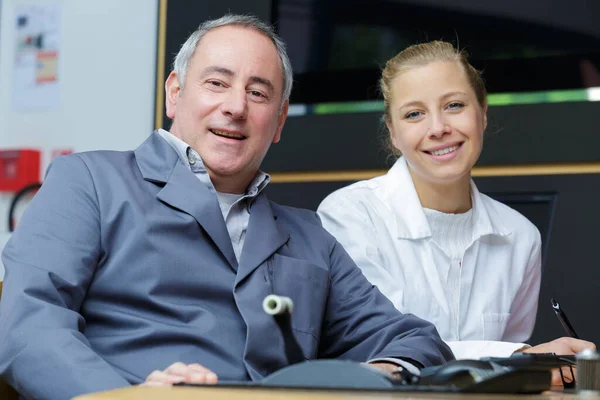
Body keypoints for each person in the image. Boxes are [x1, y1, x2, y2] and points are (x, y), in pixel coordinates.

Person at [0, 15, 453, 400]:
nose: (235, 107)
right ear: (175, 93)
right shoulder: (90, 181)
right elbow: (28, 327)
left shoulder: (310, 236)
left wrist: (367, 377)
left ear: (278, 121)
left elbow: (413, 341)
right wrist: (126, 398)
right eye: (217, 83)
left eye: (258, 93)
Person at [317, 41, 594, 369]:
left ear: (483, 113)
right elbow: (383, 347)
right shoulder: (350, 216)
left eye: (454, 105)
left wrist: (525, 363)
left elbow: (500, 379)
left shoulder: (521, 237)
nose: (438, 129)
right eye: (414, 114)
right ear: (393, 132)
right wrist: (518, 357)